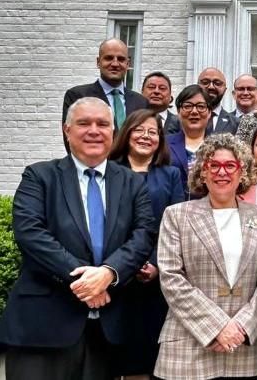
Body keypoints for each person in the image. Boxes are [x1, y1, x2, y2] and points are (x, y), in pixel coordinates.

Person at [0, 97, 155, 380]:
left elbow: (144, 234)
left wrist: (108, 273)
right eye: (84, 123)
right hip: (43, 325)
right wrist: (87, 282)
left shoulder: (132, 182)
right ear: (67, 130)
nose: (94, 130)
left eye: (103, 124)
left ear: (113, 133)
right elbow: (31, 234)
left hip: (106, 330)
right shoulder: (39, 176)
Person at [154, 133, 257, 380]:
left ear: (242, 172)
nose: (222, 172)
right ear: (203, 172)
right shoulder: (176, 215)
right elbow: (171, 278)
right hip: (189, 345)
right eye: (213, 165)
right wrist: (218, 327)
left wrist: (240, 327)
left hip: (243, 348)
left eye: (231, 165)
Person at [108, 109, 185, 379]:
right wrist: (122, 263)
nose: (146, 136)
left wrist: (154, 263)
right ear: (126, 133)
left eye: (153, 131)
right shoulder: (109, 171)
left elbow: (174, 225)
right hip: (114, 272)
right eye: (139, 129)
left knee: (146, 350)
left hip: (155, 274)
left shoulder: (171, 174)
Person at [62, 38, 148, 151]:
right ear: (98, 62)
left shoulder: (141, 102)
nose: (115, 63)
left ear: (128, 64)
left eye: (121, 59)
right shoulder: (78, 96)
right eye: (109, 58)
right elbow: (71, 140)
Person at [167, 85, 211, 199]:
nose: (194, 111)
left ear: (209, 112)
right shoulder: (163, 144)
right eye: (188, 106)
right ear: (178, 111)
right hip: (171, 210)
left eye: (201, 106)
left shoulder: (219, 147)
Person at [198, 67, 238, 135]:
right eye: (205, 82)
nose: (211, 87)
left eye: (217, 83)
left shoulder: (236, 123)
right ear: (197, 87)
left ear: (225, 90)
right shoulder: (184, 120)